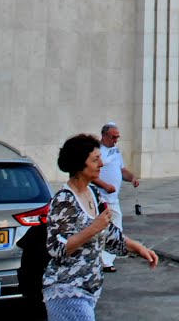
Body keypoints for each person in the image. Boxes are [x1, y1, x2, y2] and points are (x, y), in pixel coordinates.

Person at [43, 133, 158, 320]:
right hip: (66, 291)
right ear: (80, 164)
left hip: (89, 290)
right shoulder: (65, 200)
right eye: (95, 160)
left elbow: (110, 235)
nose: (101, 165)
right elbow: (57, 249)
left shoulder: (94, 193)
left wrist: (138, 248)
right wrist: (93, 228)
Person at [91, 122, 139, 272]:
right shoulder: (97, 151)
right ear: (104, 136)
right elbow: (90, 174)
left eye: (117, 137)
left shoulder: (116, 150)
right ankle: (102, 260)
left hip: (113, 198)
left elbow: (121, 169)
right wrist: (105, 185)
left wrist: (131, 177)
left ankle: (107, 259)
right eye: (113, 137)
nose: (115, 140)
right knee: (102, 228)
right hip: (101, 197)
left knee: (116, 227)